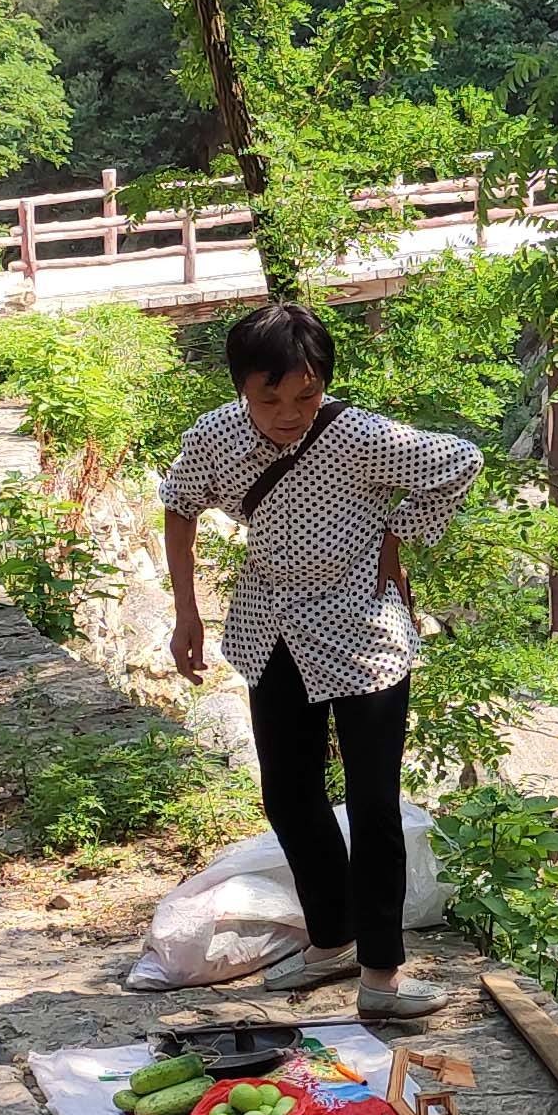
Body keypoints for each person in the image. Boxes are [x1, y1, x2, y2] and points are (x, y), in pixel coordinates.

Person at [161, 301, 481, 1020]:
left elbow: (461, 461)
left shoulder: (359, 436)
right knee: (289, 796)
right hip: (271, 628)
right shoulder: (217, 437)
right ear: (243, 387)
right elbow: (179, 503)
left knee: (372, 806)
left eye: (304, 395)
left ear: (322, 385)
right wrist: (187, 610)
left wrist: (400, 534)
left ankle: (382, 976)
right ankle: (331, 939)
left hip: (363, 633)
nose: (287, 412)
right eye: (268, 396)